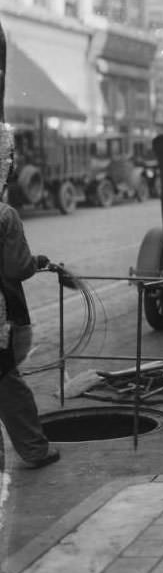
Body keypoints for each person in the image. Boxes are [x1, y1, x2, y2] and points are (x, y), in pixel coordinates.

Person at [0, 195, 57, 469]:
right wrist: (33, 263)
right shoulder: (5, 215)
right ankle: (35, 450)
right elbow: (18, 267)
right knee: (7, 381)